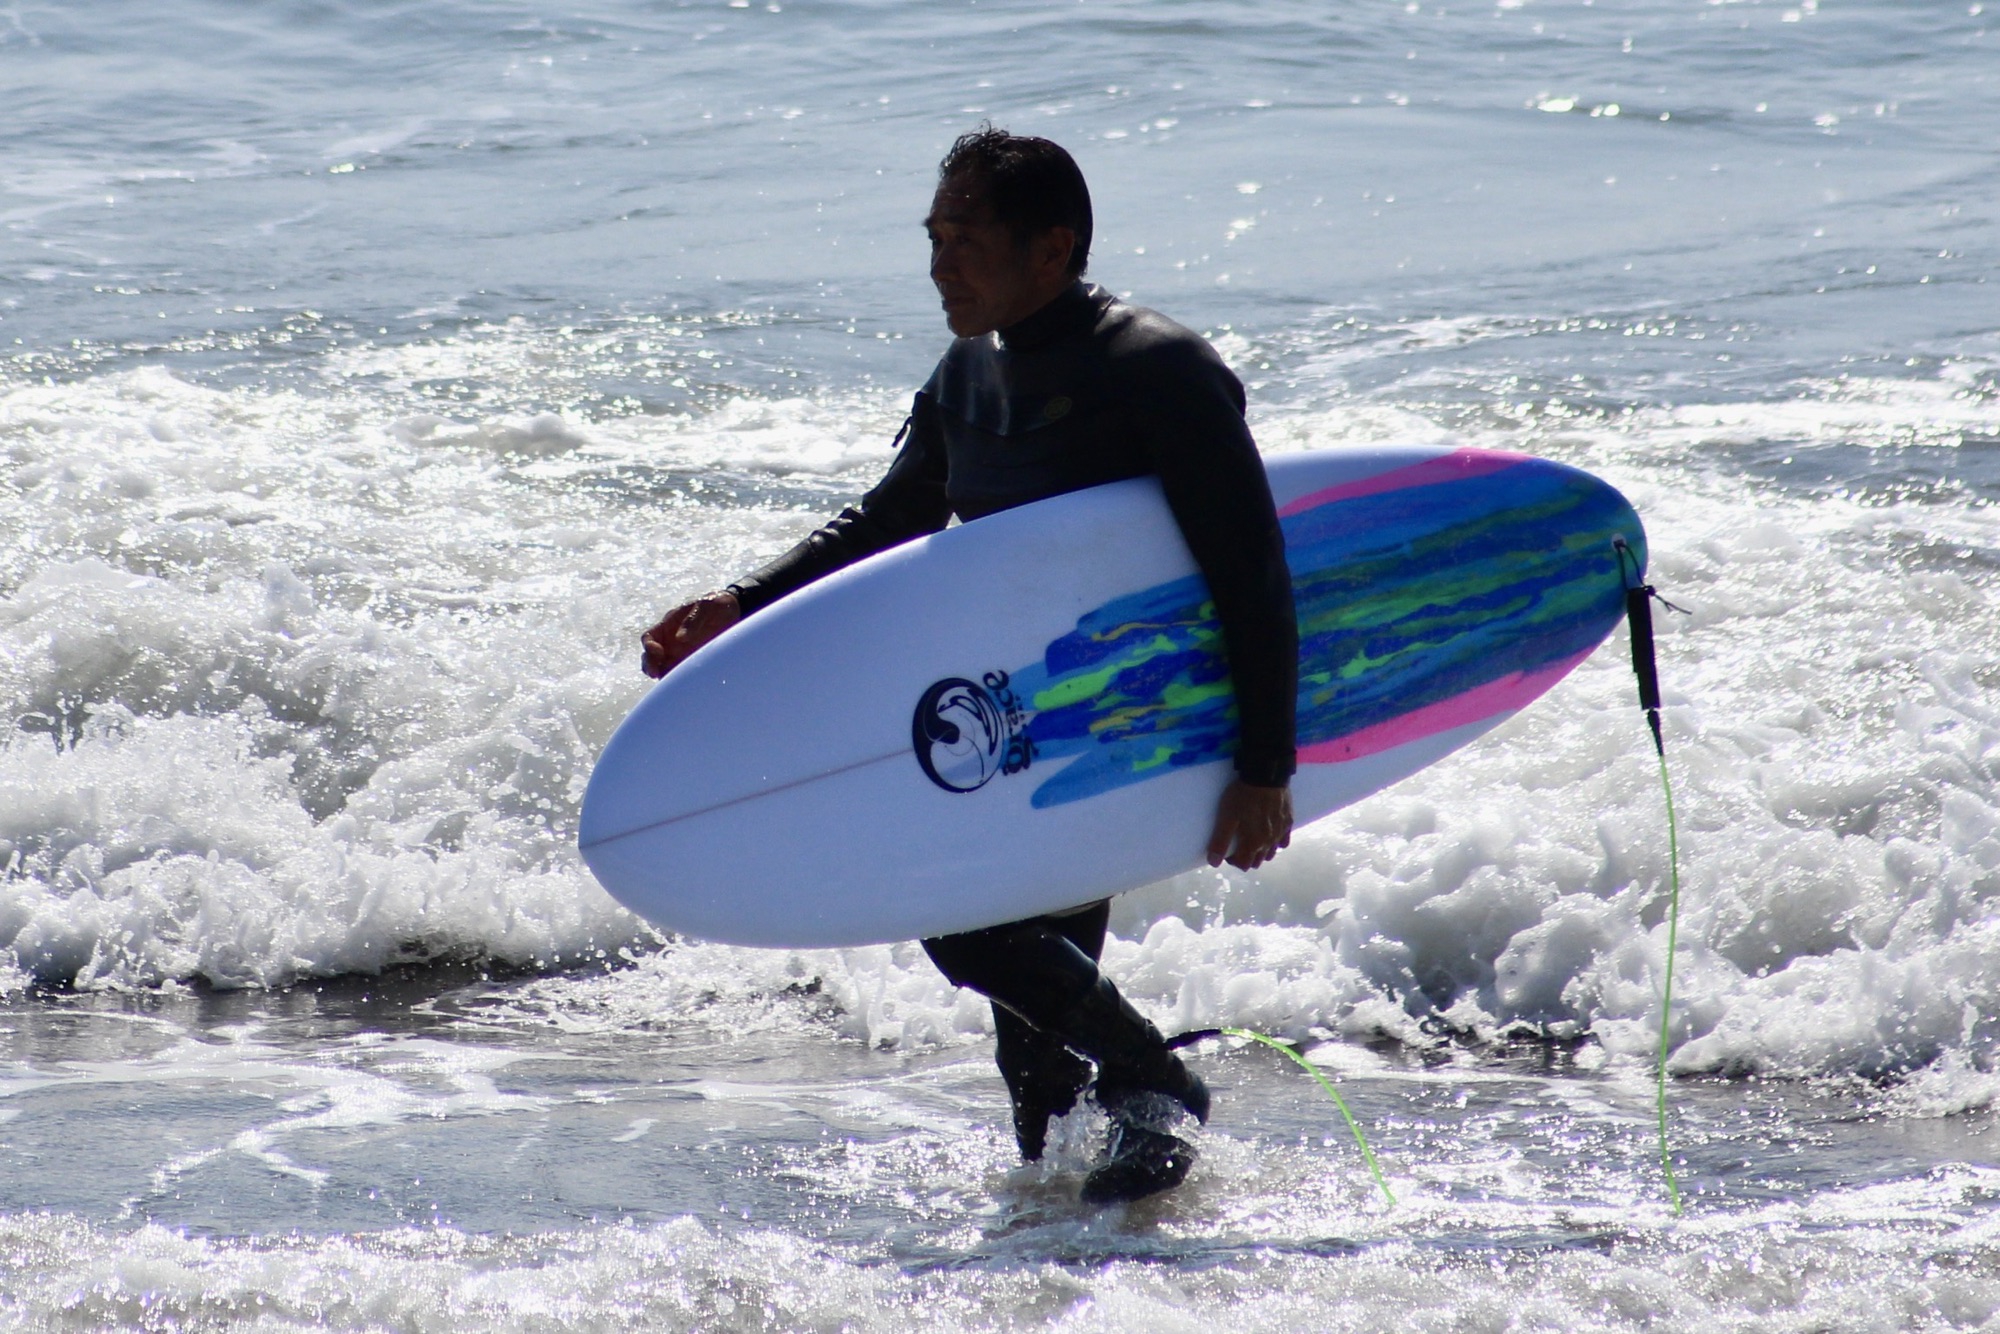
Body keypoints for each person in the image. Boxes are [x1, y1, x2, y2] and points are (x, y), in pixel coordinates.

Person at [640, 127, 1297, 1204]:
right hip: (1007, 723)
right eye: (932, 237)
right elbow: (892, 517)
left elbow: (1249, 567)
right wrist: (745, 601)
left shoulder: (1159, 369)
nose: (940, 263)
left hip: (1125, 720)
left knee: (964, 918)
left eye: (965, 238)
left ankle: (1152, 1079)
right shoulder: (965, 374)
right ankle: (1077, 1228)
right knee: (1030, 1049)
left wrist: (1263, 761)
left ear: (1053, 247)